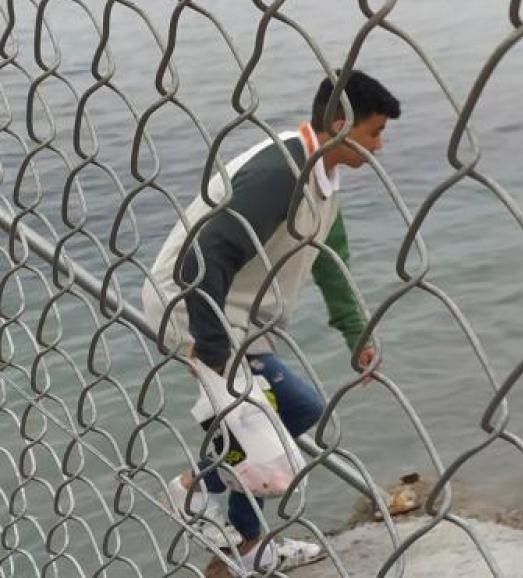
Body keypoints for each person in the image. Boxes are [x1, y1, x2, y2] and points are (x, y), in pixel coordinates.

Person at [143, 70, 400, 576]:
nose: (381, 147)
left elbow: (330, 260)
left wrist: (357, 334)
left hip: (236, 320)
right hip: (195, 307)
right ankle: (204, 500)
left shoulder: (323, 178)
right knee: (278, 420)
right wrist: (214, 352)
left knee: (285, 420)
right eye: (374, 132)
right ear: (340, 124)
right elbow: (206, 254)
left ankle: (231, 525)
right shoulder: (282, 171)